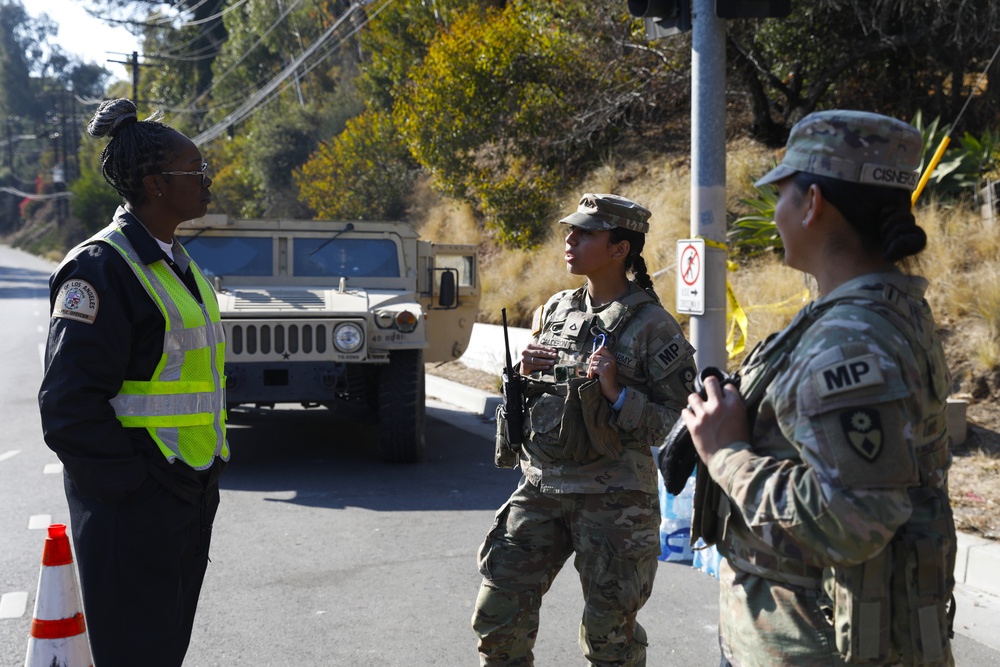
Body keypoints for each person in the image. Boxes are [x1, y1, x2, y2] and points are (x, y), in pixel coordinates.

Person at [682, 110, 956, 666]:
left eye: (780, 194)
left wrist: (726, 453)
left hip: (812, 643)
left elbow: (855, 517)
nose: (775, 213)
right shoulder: (885, 308)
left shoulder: (847, 339)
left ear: (813, 205)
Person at [38, 98, 228, 667]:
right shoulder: (100, 267)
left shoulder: (176, 262)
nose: (205, 180)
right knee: (135, 653)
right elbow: (68, 406)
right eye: (194, 171)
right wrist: (133, 488)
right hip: (137, 504)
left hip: (185, 492)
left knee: (163, 649)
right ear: (155, 184)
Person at [472, 193, 698, 666]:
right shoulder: (556, 308)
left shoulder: (654, 326)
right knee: (497, 618)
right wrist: (522, 370)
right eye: (570, 231)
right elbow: (541, 396)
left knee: (608, 639)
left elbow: (680, 424)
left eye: (585, 233)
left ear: (620, 249)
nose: (570, 240)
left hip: (614, 502)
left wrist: (617, 393)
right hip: (541, 489)